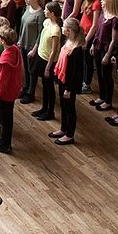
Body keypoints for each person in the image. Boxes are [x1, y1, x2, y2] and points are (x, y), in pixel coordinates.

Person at [50, 16, 84, 145]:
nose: (62, 28)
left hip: (69, 84)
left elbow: (76, 73)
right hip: (63, 80)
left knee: (70, 109)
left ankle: (70, 135)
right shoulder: (68, 41)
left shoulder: (77, 49)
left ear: (69, 30)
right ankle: (63, 129)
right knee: (63, 107)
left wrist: (69, 89)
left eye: (64, 27)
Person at [0, 26, 23, 154]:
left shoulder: (6, 59)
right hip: (13, 89)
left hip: (6, 93)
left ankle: (5, 143)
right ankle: (3, 139)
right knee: (6, 117)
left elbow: (2, 81)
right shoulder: (15, 49)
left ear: (3, 41)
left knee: (6, 118)